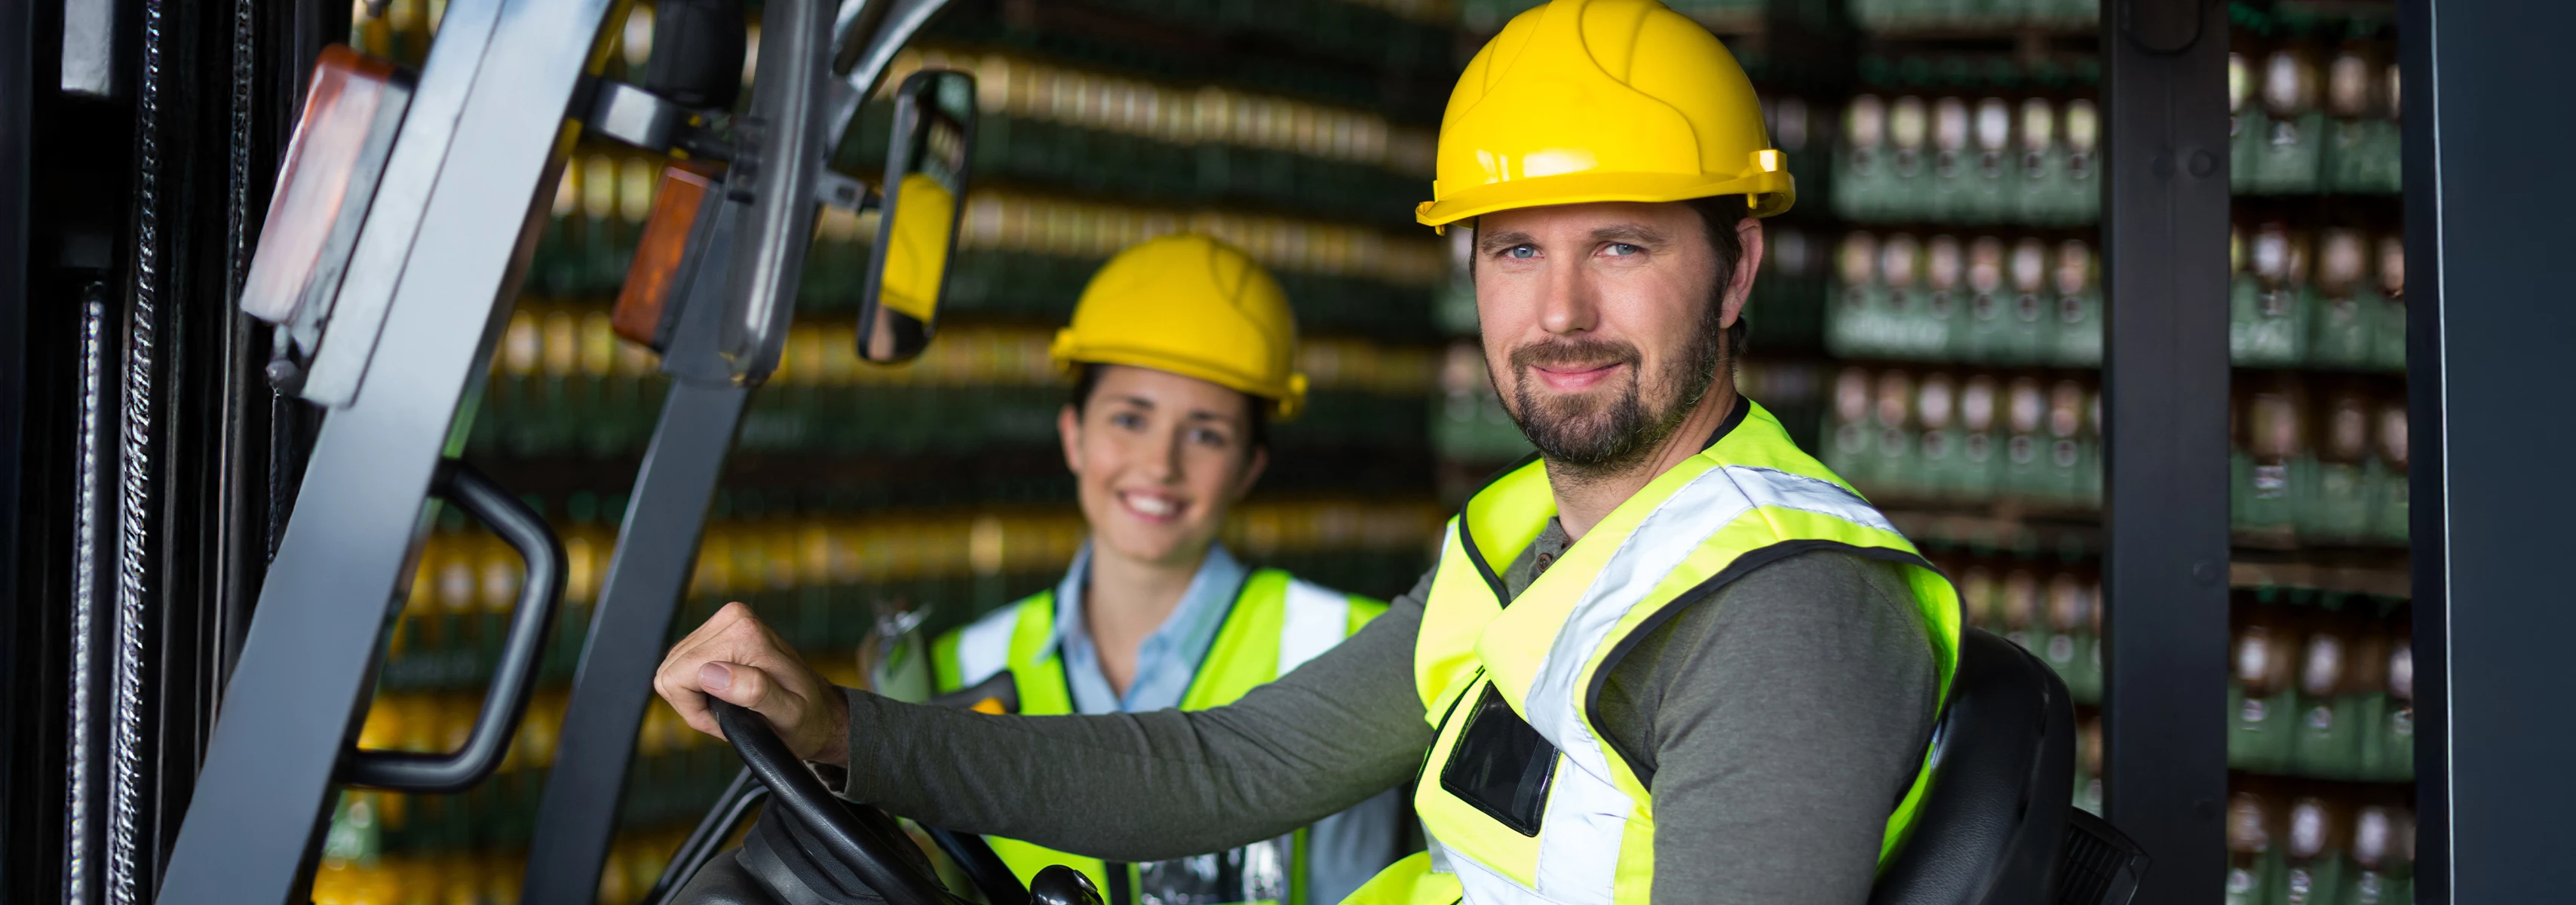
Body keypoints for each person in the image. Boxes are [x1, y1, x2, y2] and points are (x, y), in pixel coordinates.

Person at [653, 2, 1962, 903]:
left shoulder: (1783, 613)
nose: (1560, 313)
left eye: (1620, 245)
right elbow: (1225, 766)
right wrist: (843, 731)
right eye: (1517, 249)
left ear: (1735, 270)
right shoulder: (1525, 549)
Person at [722, 232, 1406, 905]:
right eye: (1130, 420)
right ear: (1073, 435)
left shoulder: (1347, 645)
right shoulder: (961, 670)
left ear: (1249, 468)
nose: (1160, 466)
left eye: (1205, 434)